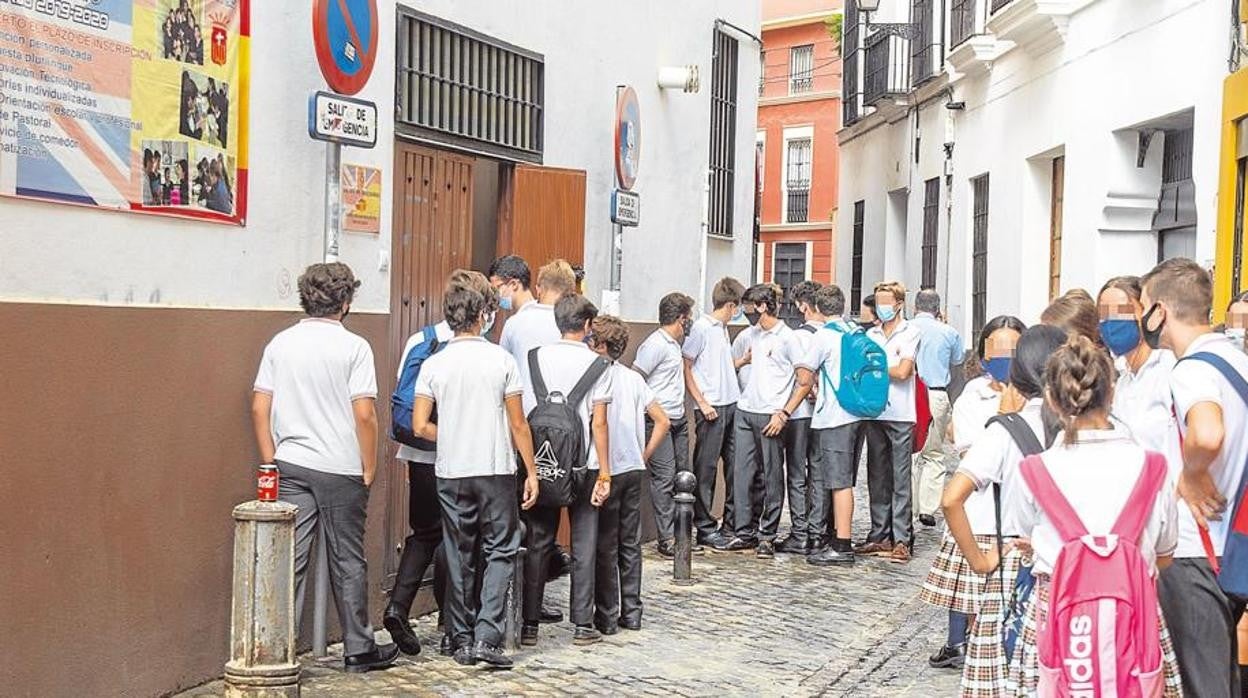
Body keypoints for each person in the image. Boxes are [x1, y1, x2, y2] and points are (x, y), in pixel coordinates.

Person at [1005, 334, 1183, 696]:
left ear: (1052, 400)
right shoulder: (1152, 468)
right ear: (1112, 393)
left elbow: (1024, 530)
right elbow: (1165, 552)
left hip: (1054, 617)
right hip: (1136, 619)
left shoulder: (1036, 472)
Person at [250, 263, 398, 673]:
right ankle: (358, 648)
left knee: (288, 560)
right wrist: (368, 466)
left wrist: (270, 460)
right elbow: (364, 414)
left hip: (291, 462)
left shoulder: (280, 343)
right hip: (340, 466)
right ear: (346, 301)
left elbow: (260, 405)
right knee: (347, 558)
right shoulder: (355, 347)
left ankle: (276, 650)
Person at [409, 271, 537, 668]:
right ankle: (487, 636)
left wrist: (451, 435)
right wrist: (531, 471)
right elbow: (518, 423)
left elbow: (418, 425)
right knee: (500, 548)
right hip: (495, 468)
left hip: (451, 468)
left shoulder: (435, 363)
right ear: (484, 314)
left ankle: (460, 638)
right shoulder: (501, 360)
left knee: (458, 548)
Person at [1143, 257, 1248, 698]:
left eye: (1143, 306)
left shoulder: (1193, 369)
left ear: (1161, 311)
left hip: (1195, 547)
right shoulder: (1236, 360)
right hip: (1230, 548)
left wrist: (1190, 474)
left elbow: (1206, 432)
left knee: (1202, 685)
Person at [933, 317, 1037, 692]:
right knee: (971, 589)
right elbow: (969, 448)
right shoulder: (973, 395)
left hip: (1018, 520)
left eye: (1013, 350)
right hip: (978, 507)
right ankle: (958, 642)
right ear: (983, 352)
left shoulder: (1039, 400)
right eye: (997, 349)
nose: (1004, 357)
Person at [521, 294, 613, 647]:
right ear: (588, 326)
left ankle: (529, 623)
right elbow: (600, 424)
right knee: (584, 542)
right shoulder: (598, 366)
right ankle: (582, 624)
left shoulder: (533, 359)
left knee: (537, 540)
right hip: (583, 464)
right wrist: (604, 473)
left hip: (541, 464)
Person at [490, 255, 570, 625]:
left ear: (538, 286)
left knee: (517, 515)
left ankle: (512, 600)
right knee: (544, 525)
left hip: (520, 425)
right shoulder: (565, 326)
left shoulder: (516, 325)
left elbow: (502, 374)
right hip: (559, 430)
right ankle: (533, 606)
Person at [384, 282, 456, 658]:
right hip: (457, 456)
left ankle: (398, 607)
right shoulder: (471, 352)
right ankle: (450, 624)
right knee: (455, 537)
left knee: (424, 532)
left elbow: (403, 398)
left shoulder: (419, 340)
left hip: (417, 454)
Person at [589, 315, 669, 633]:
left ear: (602, 345)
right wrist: (644, 453)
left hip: (607, 467)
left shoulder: (596, 377)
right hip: (633, 468)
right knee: (630, 542)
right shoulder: (633, 379)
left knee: (606, 543)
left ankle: (607, 615)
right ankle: (632, 610)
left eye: (591, 340)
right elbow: (662, 420)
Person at [715, 284, 804, 558]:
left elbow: (804, 381)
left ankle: (767, 534)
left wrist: (784, 413)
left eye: (749, 307)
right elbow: (733, 364)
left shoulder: (788, 338)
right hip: (746, 409)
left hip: (771, 414)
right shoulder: (748, 336)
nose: (745, 312)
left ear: (763, 306)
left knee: (772, 476)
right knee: (742, 474)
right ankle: (744, 532)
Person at [792, 284, 862, 567]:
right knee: (841, 478)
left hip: (833, 416)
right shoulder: (855, 331)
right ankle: (836, 537)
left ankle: (842, 545)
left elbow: (804, 375)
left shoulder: (823, 336)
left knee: (839, 482)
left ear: (818, 309)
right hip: (856, 414)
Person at [856, 281, 921, 563]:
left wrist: (875, 368)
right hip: (875, 411)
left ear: (898, 304)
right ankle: (879, 533)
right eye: (878, 300)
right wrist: (883, 368)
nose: (882, 306)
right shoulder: (871, 334)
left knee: (900, 477)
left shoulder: (911, 332)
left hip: (901, 413)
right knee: (877, 475)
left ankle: (902, 537)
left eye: (886, 301)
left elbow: (905, 371)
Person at [683, 277, 748, 548]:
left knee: (735, 465)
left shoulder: (722, 329)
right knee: (706, 468)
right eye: (739, 307)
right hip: (711, 407)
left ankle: (731, 523)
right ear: (731, 305)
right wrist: (702, 402)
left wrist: (741, 362)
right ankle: (705, 526)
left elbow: (718, 364)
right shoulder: (701, 328)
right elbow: (687, 366)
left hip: (732, 403)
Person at [634, 292, 695, 557]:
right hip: (658, 421)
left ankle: (682, 534)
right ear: (681, 319)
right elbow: (637, 377)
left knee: (683, 476)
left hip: (678, 418)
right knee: (664, 478)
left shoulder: (674, 344)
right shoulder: (655, 345)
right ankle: (667, 537)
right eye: (688, 318)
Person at [910, 289, 967, 529]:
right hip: (936, 392)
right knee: (934, 452)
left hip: (910, 393)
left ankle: (909, 505)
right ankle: (927, 507)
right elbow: (957, 360)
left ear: (915, 307)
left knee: (911, 452)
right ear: (938, 309)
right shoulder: (949, 332)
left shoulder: (906, 329)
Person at [776, 280, 823, 553]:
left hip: (798, 411)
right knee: (818, 472)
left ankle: (800, 532)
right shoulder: (836, 333)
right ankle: (818, 530)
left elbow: (799, 376)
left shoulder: (798, 336)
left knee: (796, 473)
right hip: (826, 415)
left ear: (803, 306)